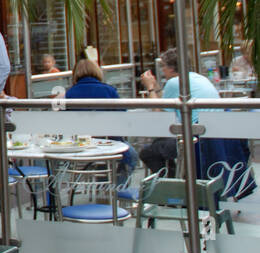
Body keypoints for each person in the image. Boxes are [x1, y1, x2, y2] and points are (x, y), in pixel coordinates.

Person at [137, 48, 220, 178]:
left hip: (194, 138)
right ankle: (177, 179)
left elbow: (158, 113)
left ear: (171, 68)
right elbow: (166, 101)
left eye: (163, 66)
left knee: (148, 152)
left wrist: (150, 87)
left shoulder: (175, 82)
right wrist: (156, 86)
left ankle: (171, 185)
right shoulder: (196, 77)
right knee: (160, 144)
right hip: (211, 135)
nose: (162, 70)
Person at [64, 58, 138, 179]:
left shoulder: (69, 94)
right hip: (110, 143)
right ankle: (117, 189)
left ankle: (103, 188)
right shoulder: (109, 91)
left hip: (80, 146)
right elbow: (122, 117)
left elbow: (63, 120)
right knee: (132, 156)